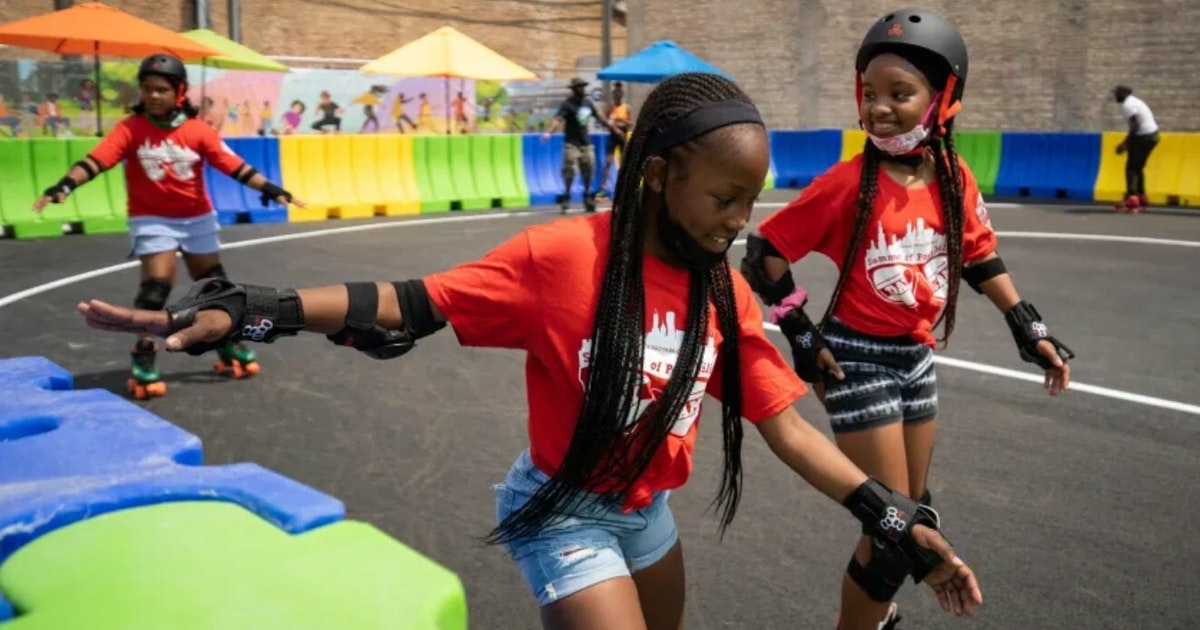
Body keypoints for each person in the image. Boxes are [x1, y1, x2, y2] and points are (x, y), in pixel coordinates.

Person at [76, 72, 982, 630]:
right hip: (565, 509)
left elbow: (786, 426)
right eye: (723, 199)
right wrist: (254, 311)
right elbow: (407, 304)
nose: (741, 223)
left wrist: (890, 513)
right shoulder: (565, 260)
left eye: (753, 201)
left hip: (645, 512)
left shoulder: (725, 290)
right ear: (660, 177)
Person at [741, 11, 1070, 630]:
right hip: (854, 357)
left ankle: (880, 615)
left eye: (900, 94)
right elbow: (765, 255)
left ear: (943, 99)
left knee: (912, 509)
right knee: (895, 525)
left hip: (915, 356)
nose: (879, 108)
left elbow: (976, 253)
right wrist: (803, 336)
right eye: (869, 93)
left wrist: (1028, 325)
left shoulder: (951, 177)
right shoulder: (845, 185)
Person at [34, 53, 304, 399]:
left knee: (216, 286)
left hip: (197, 218)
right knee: (156, 287)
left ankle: (224, 341)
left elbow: (233, 165)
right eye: (147, 89)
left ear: (179, 92)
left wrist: (270, 189)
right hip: (152, 219)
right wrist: (64, 186)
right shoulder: (129, 130)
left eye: (161, 89)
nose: (153, 96)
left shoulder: (197, 131)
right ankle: (144, 355)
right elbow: (95, 161)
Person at [541, 77, 616, 213]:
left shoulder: (587, 103)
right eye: (580, 87)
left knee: (589, 169)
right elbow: (558, 119)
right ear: (574, 89)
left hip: (585, 143)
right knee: (569, 169)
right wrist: (548, 133)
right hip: (571, 143)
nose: (582, 89)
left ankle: (587, 196)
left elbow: (599, 116)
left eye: (583, 86)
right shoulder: (568, 104)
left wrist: (612, 128)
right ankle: (567, 196)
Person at [1112, 85, 1159, 213]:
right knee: (1138, 166)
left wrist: (1125, 144)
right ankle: (1141, 197)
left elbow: (1136, 124)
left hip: (1144, 136)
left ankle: (1132, 199)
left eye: (1116, 93)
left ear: (1123, 94)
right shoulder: (1135, 101)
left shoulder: (1128, 105)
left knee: (1132, 168)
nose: (1115, 96)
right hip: (1152, 135)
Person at [599, 80, 633, 198]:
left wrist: (621, 124)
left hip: (622, 137)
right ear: (613, 94)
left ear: (622, 93)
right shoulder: (610, 108)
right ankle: (603, 188)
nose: (617, 94)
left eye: (619, 92)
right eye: (615, 92)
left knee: (625, 162)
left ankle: (626, 186)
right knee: (608, 162)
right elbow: (606, 122)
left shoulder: (626, 107)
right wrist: (614, 127)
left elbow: (630, 123)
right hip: (613, 137)